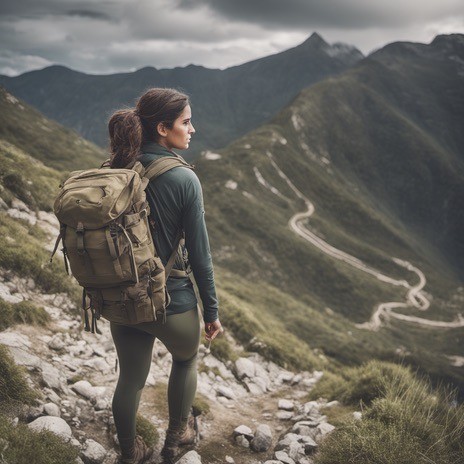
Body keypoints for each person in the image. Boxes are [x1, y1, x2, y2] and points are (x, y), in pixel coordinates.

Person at [107, 88, 223, 464]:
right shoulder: (184, 180)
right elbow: (202, 257)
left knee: (130, 380)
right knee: (186, 361)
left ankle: (129, 452)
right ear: (162, 128)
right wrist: (211, 311)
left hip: (123, 299)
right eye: (186, 122)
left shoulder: (117, 168)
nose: (193, 129)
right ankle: (175, 442)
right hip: (172, 302)